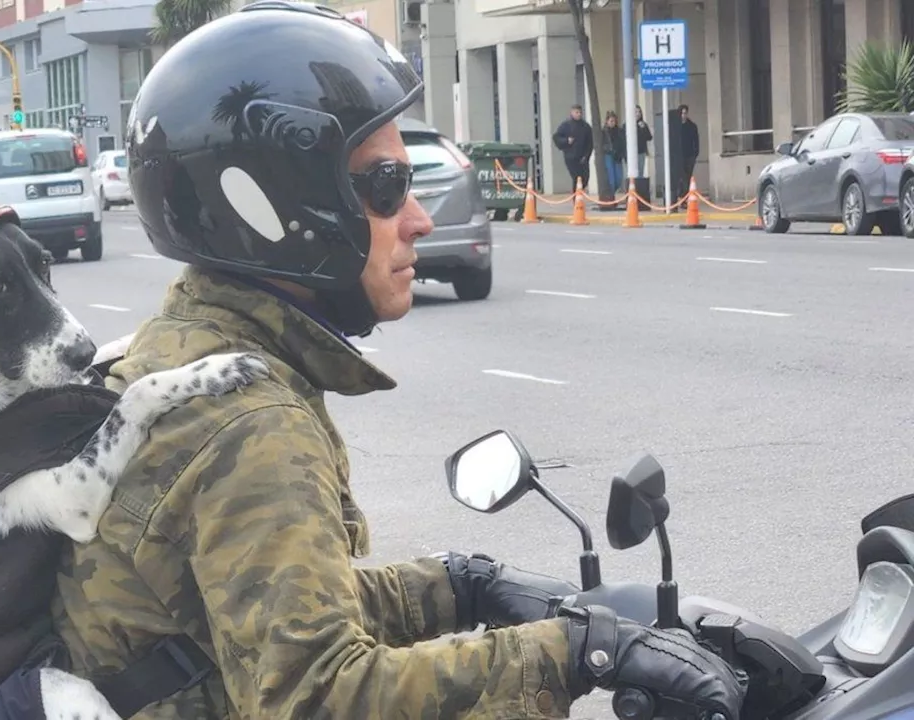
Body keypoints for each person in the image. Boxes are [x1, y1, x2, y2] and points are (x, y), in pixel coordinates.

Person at [48, 3, 748, 719]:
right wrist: (576, 654)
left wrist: (461, 584)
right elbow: (319, 694)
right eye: (385, 188)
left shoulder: (177, 359)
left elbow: (279, 610)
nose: (419, 219)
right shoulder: (249, 424)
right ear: (288, 205)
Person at [552, 104, 594, 194]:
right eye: (576, 112)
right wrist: (566, 141)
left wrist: (586, 156)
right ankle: (576, 198)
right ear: (572, 113)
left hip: (583, 157)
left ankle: (579, 193)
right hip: (570, 156)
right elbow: (556, 137)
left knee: (585, 177)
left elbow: (590, 143)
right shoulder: (566, 125)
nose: (578, 114)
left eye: (580, 112)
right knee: (576, 177)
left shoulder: (586, 126)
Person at [675, 103, 701, 203]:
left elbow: (696, 140)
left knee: (688, 176)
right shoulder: (675, 127)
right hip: (678, 156)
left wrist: (695, 153)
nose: (683, 115)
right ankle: (682, 197)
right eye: (681, 113)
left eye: (685, 113)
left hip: (690, 155)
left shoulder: (692, 126)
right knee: (681, 178)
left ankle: (684, 198)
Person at [601, 111, 627, 195]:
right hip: (608, 155)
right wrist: (607, 149)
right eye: (611, 121)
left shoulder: (619, 131)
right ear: (607, 121)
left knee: (619, 178)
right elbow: (601, 144)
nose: (613, 123)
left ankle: (613, 191)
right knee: (611, 177)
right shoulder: (603, 132)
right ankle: (611, 194)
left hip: (618, 156)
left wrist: (623, 154)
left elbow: (623, 143)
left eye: (614, 121)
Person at [634, 105, 653, 179]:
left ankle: (639, 187)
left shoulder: (643, 124)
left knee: (640, 171)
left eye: (639, 112)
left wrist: (643, 128)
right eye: (636, 112)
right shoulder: (628, 125)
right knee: (633, 172)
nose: (638, 114)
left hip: (641, 151)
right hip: (632, 152)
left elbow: (649, 137)